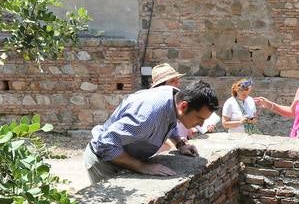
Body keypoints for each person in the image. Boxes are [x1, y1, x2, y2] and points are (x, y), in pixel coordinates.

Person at [83, 68, 219, 184]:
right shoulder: (147, 118)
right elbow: (105, 144)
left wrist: (180, 143)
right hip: (105, 161)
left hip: (125, 152)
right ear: (184, 106)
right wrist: (142, 167)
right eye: (199, 118)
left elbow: (169, 120)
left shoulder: (173, 96)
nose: (201, 124)